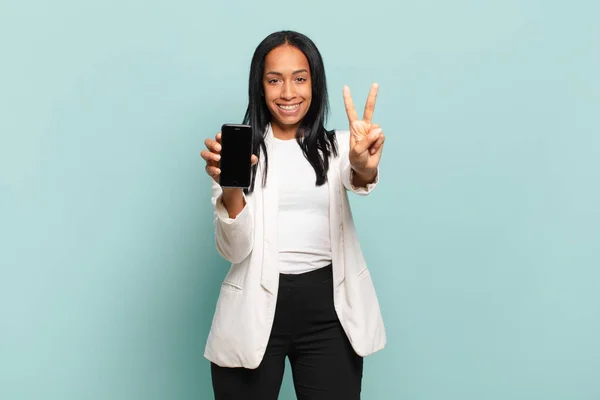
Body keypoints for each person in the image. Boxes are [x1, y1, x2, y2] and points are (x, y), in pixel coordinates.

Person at [200, 30, 387, 400]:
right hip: (254, 309)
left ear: (315, 83)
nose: (288, 93)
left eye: (300, 79)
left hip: (329, 315)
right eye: (275, 80)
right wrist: (232, 188)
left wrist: (364, 165)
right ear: (260, 85)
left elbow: (359, 175)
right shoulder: (238, 153)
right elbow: (234, 251)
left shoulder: (338, 147)